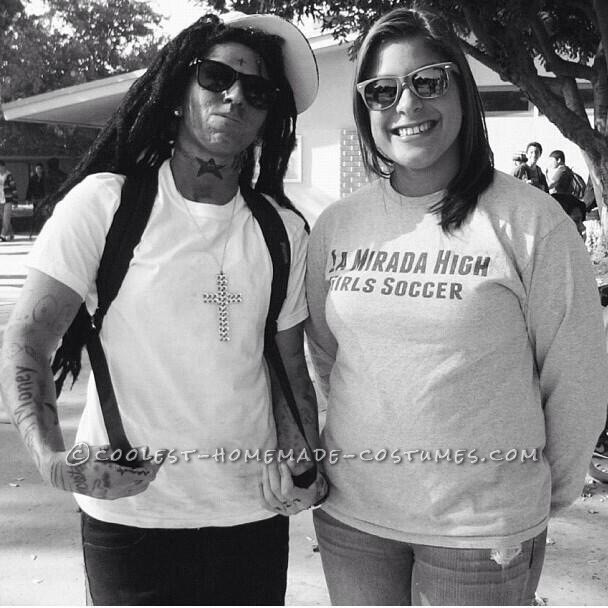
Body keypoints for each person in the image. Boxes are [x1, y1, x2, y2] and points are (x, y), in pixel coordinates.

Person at [0, 12, 327, 605]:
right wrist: (53, 461)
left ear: (269, 117)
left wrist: (303, 468)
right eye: (215, 76)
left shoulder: (282, 232)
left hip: (249, 514)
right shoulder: (105, 206)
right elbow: (27, 341)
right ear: (179, 89)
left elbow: (288, 369)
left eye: (258, 90)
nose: (235, 95)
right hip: (130, 520)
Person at [305, 5, 608, 606]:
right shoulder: (339, 225)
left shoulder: (531, 222)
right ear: (366, 110)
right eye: (382, 91)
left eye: (428, 82)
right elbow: (327, 355)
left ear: (462, 91)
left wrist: (541, 491)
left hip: (482, 530)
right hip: (355, 519)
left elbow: (575, 375)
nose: (407, 106)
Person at [26, 163, 47, 235]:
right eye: (37, 169)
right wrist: (28, 198)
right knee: (36, 213)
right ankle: (36, 228)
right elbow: (30, 188)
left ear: (42, 169)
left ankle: (44, 228)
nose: (38, 170)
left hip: (44, 197)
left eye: (39, 168)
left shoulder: (45, 177)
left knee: (44, 213)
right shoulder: (33, 178)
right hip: (36, 198)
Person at [0, 160, 18, 241]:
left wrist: (15, 201)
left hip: (8, 199)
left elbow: (13, 189)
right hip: (0, 200)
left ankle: (3, 235)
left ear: (3, 166)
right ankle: (11, 233)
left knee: (6, 218)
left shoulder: (9, 175)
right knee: (4, 218)